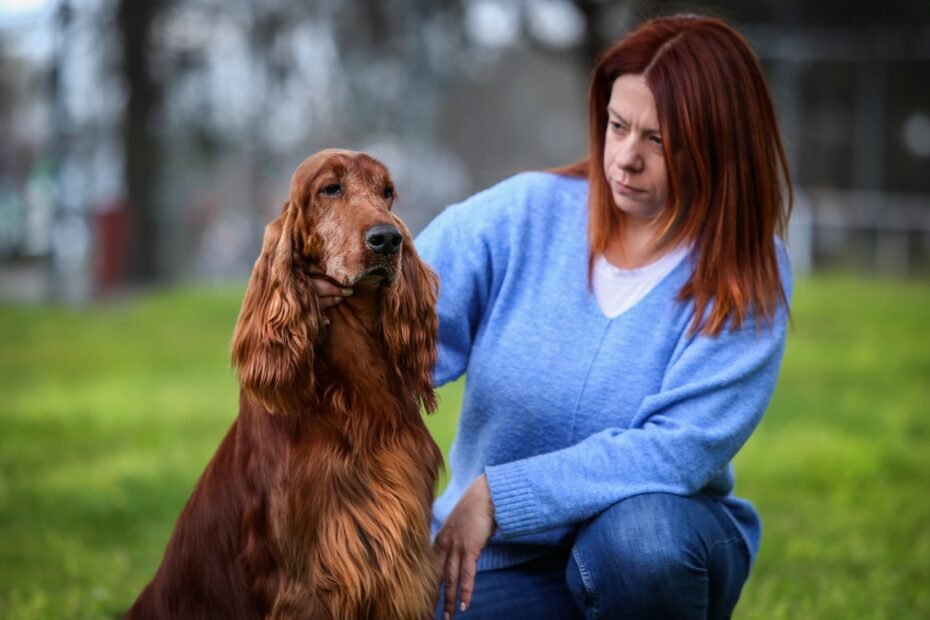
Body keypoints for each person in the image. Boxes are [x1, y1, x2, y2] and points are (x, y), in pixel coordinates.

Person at [316, 13, 793, 620]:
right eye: (618, 126)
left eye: (659, 140)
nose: (626, 158)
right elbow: (393, 338)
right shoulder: (521, 216)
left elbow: (675, 450)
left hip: (657, 543)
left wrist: (501, 495)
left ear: (718, 146)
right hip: (497, 556)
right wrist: (327, 314)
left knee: (640, 546)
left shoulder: (747, 267)